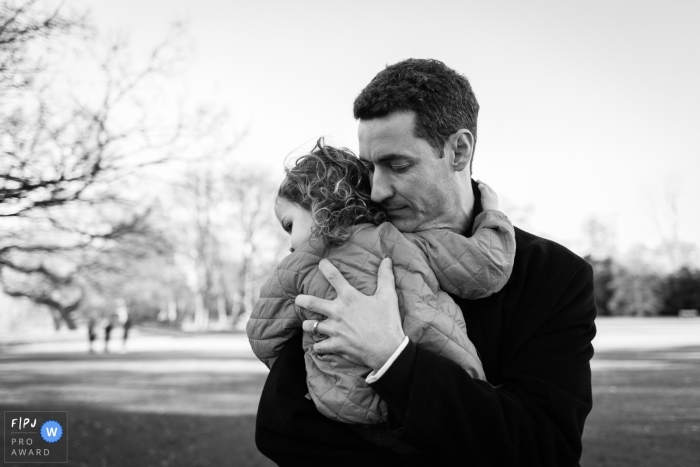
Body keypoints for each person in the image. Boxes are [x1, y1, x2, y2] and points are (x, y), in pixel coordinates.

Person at [254, 59, 597, 466]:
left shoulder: (555, 277)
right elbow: (281, 429)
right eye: (369, 168)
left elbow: (544, 449)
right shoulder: (340, 254)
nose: (377, 190)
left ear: (459, 150)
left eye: (398, 166)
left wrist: (391, 356)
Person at [248, 140, 514, 436]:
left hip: (340, 403)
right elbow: (484, 269)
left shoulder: (295, 268)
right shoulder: (404, 239)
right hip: (441, 384)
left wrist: (310, 349)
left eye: (289, 224)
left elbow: (263, 336)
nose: (289, 242)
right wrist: (492, 215)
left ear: (319, 203)